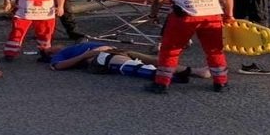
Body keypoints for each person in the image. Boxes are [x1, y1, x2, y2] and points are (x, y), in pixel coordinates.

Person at [146, 0, 235, 94]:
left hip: (183, 17)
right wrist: (229, 15)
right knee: (214, 50)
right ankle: (221, 83)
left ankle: (161, 84)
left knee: (170, 51)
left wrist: (153, 15)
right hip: (212, 16)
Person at [45, 42, 211, 82]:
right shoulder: (59, 56)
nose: (52, 45)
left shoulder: (74, 45)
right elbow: (57, 67)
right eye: (48, 46)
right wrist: (86, 55)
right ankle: (170, 78)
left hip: (114, 50)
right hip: (99, 58)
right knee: (133, 66)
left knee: (158, 60)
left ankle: (196, 71)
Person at [2, 0, 67, 61]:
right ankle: (10, 53)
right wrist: (7, 3)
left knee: (45, 35)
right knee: (17, 33)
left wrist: (60, 7)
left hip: (45, 16)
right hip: (23, 15)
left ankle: (45, 53)